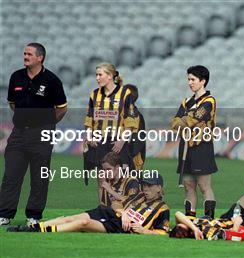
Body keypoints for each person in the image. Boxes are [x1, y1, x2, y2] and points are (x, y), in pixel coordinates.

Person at [0, 43, 67, 226]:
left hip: (41, 136)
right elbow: (12, 104)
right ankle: (4, 214)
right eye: (24, 53)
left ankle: (34, 216)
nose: (25, 56)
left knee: (39, 178)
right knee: (11, 175)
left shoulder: (52, 80)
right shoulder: (16, 77)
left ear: (40, 58)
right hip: (19, 134)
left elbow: (62, 108)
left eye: (29, 54)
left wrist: (46, 124)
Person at [8, 174, 169, 235]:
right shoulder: (138, 196)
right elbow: (117, 203)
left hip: (121, 227)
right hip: (112, 214)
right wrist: (124, 213)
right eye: (144, 185)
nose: (145, 188)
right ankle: (33, 228)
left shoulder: (163, 209)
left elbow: (163, 232)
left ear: (159, 188)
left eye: (150, 186)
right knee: (70, 217)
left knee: (82, 223)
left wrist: (143, 231)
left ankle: (43, 232)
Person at [83, 63, 139, 198]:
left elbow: (131, 120)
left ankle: (120, 211)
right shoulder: (94, 94)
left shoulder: (125, 93)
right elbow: (89, 119)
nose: (97, 78)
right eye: (96, 75)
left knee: (121, 179)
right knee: (102, 180)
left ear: (110, 76)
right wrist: (90, 137)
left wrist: (122, 140)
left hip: (117, 143)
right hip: (99, 143)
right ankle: (103, 211)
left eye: (100, 75)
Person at [171, 65, 218, 219]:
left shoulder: (209, 101)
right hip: (185, 147)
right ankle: (189, 219)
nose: (190, 82)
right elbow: (174, 123)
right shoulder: (186, 101)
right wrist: (185, 121)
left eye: (193, 79)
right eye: (188, 79)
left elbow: (191, 120)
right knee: (188, 187)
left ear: (203, 81)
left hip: (201, 147)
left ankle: (208, 219)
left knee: (205, 187)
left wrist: (185, 120)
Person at [124, 84, 146, 171]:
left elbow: (138, 141)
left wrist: (126, 158)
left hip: (133, 160)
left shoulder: (137, 116)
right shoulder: (121, 114)